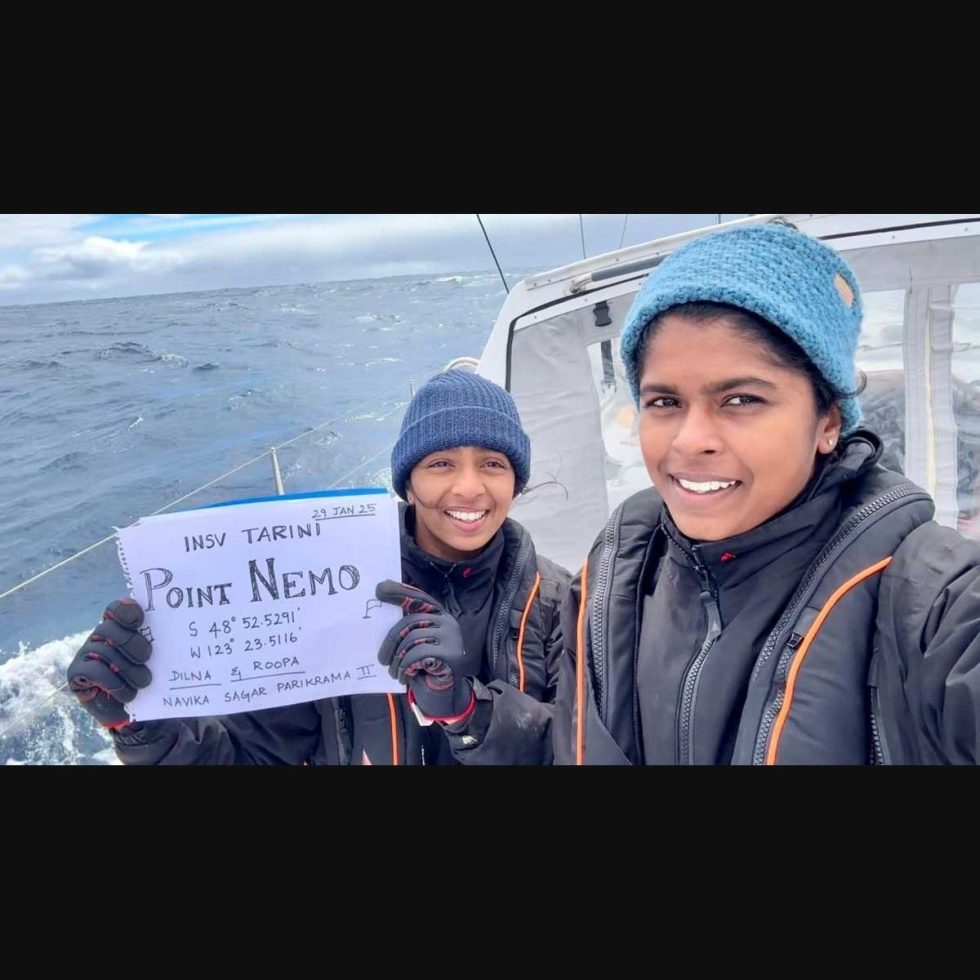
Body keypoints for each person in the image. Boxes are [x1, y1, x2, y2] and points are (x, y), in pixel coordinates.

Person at [553, 221, 980, 765]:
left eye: (741, 400)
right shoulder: (614, 575)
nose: (690, 441)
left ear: (828, 420)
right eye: (664, 402)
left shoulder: (933, 599)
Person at [68, 371, 570, 764]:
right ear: (408, 483)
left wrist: (469, 712)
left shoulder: (562, 603)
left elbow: (581, 750)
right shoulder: (322, 590)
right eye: (440, 463)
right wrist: (138, 725)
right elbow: (251, 755)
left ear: (515, 482)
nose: (468, 488)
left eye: (493, 464)